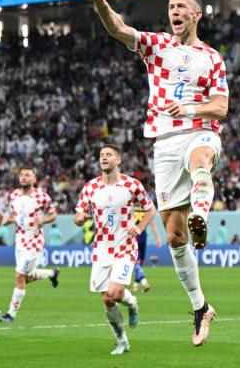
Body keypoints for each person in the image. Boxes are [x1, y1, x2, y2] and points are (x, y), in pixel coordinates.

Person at [84, 0, 229, 346]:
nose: (174, 11)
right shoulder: (157, 45)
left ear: (197, 15)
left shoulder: (212, 58)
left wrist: (192, 110)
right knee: (176, 236)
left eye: (182, 6)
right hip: (164, 143)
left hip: (200, 131)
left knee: (201, 161)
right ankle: (200, 307)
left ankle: (201, 214)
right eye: (171, 7)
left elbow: (221, 108)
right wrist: (101, 3)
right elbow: (118, 29)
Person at [74, 145, 156, 355]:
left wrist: (139, 227)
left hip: (124, 246)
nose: (104, 158)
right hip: (101, 249)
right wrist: (80, 218)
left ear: (118, 159)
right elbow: (79, 215)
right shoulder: (90, 187)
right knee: (108, 299)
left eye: (109, 155)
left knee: (116, 292)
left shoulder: (132, 185)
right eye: (101, 155)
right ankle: (122, 341)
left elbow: (150, 209)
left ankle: (132, 302)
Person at [0, 167, 60, 322]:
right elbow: (14, 214)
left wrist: (44, 220)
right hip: (19, 241)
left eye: (28, 175)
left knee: (19, 276)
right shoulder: (14, 196)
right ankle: (51, 274)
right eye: (22, 175)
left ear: (34, 180)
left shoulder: (41, 197)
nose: (24, 177)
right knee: (25, 277)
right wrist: (9, 220)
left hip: (34, 242)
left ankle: (10, 314)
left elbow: (53, 214)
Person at [131, 207, 162, 293]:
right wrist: (158, 237)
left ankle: (136, 286)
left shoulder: (132, 208)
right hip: (143, 236)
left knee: (138, 262)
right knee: (138, 262)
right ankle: (143, 283)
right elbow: (152, 224)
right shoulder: (146, 209)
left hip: (134, 235)